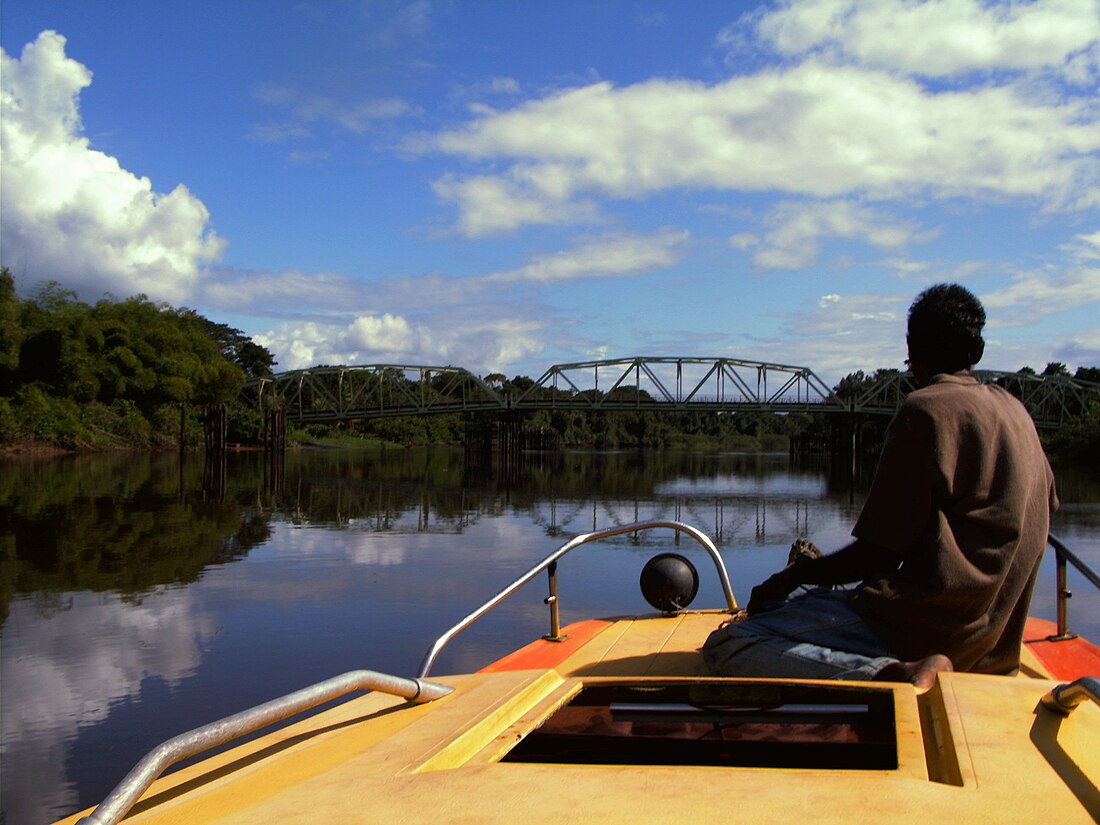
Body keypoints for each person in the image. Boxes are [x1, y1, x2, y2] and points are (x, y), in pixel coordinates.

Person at [702, 283, 1058, 689]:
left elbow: (877, 556)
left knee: (731, 640)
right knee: (799, 607)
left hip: (914, 628)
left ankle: (895, 673)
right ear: (975, 351)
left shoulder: (926, 409)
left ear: (913, 348)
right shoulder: (1018, 414)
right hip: (991, 646)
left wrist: (789, 578)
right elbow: (1042, 513)